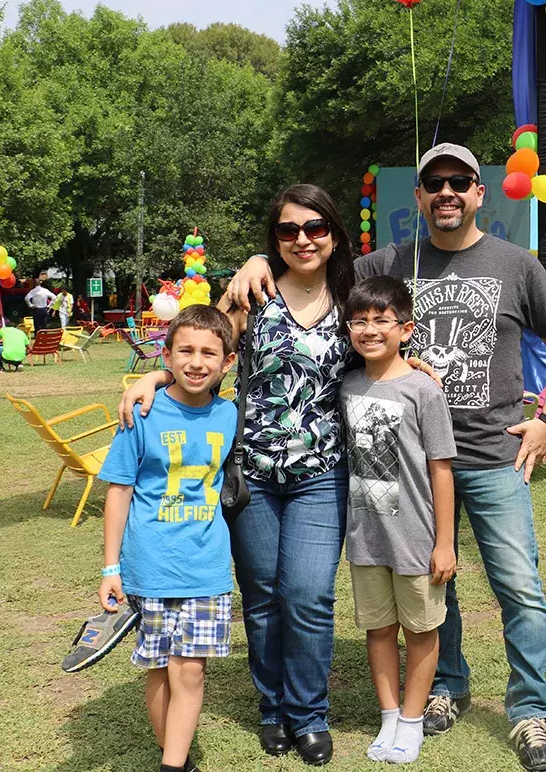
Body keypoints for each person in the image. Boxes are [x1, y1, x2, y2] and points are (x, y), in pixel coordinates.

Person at [225, 144, 546, 771]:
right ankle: (446, 687)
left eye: (459, 182)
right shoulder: (385, 262)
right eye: (433, 183)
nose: (446, 192)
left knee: (518, 588)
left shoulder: (516, 263)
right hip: (404, 465)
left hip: (493, 454)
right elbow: (309, 261)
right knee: (430, 581)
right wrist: (255, 257)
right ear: (417, 197)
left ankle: (528, 711)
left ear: (479, 192)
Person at [122, 184, 358, 766]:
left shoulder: (350, 294)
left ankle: (308, 713)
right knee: (260, 598)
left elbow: (384, 344)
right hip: (249, 473)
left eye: (314, 227)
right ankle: (272, 709)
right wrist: (153, 378)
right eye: (287, 230)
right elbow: (202, 351)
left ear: (333, 233)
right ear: (273, 238)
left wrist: (419, 364)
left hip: (320, 473)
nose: (302, 239)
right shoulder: (252, 292)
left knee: (307, 594)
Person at [97, 305, 239, 772]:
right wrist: (110, 567)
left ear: (227, 362)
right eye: (186, 351)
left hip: (206, 566)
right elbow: (119, 491)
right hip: (148, 565)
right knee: (158, 671)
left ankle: (173, 765)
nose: (197, 362)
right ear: (168, 355)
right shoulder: (142, 412)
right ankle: (174, 756)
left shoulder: (230, 414)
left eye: (208, 353)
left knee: (191, 670)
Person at [340, 276, 456, 765]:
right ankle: (389, 715)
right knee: (379, 629)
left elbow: (441, 469)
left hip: (415, 538)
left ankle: (412, 720)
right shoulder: (345, 383)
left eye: (381, 321)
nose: (370, 330)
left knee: (422, 631)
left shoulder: (424, 390)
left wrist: (445, 542)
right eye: (359, 321)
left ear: (406, 329)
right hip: (365, 538)